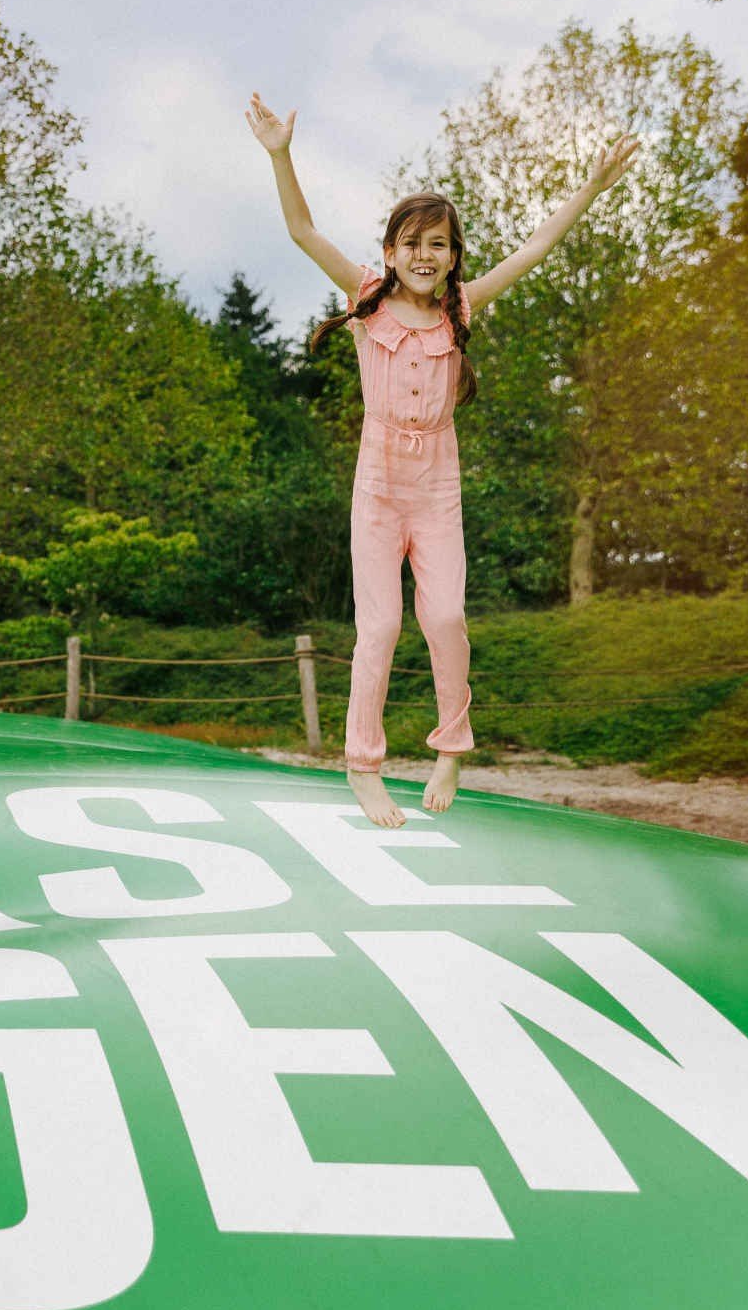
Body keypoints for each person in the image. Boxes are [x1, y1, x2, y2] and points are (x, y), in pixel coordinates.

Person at [248, 92, 636, 826]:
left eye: (440, 244)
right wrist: (280, 153)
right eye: (412, 243)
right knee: (381, 628)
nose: (425, 256)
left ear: (454, 256)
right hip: (376, 489)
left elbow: (534, 249)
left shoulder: (462, 307)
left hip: (437, 492)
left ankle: (451, 745)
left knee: (447, 617)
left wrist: (589, 187)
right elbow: (301, 229)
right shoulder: (366, 300)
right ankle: (363, 763)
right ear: (391, 250)